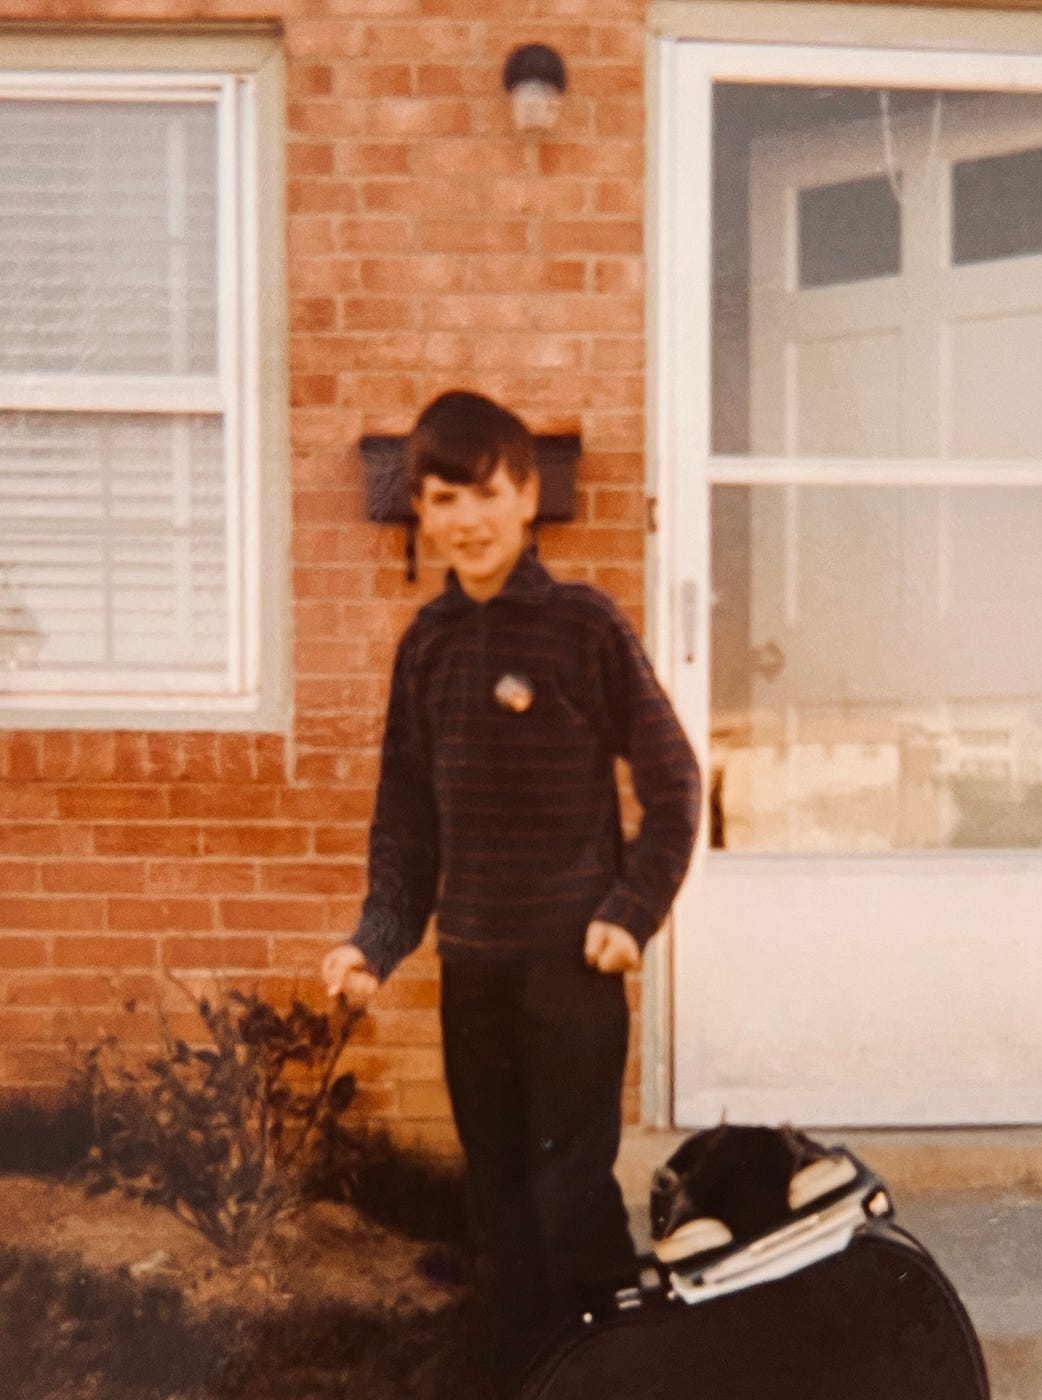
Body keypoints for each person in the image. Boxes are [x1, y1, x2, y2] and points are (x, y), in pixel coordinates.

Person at [321, 390, 701, 1389]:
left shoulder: (582, 626)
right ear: (421, 509)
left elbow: (673, 788)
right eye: (440, 497)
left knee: (569, 1200)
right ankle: (541, 1381)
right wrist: (374, 940)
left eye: (483, 491)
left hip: (568, 977)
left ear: (527, 495)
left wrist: (629, 913)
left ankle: (627, 1377)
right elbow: (405, 821)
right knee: (497, 1205)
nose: (463, 518)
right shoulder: (428, 647)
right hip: (473, 978)